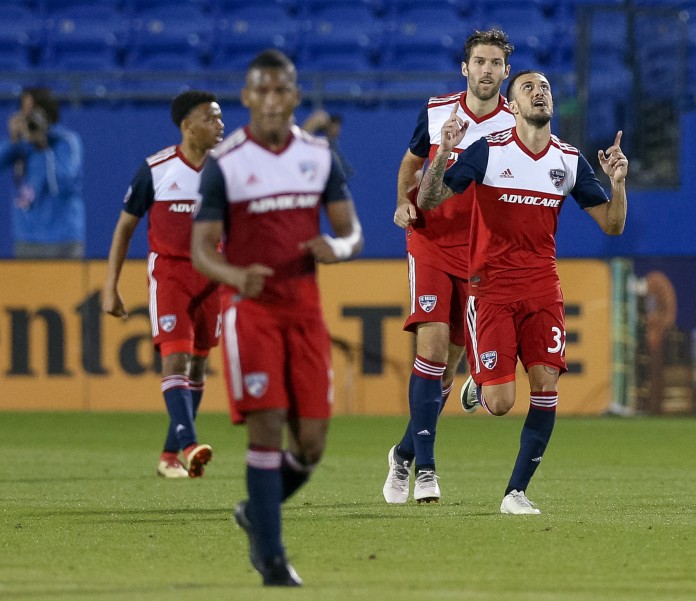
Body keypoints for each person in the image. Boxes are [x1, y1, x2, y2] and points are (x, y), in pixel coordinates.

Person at [418, 70, 628, 514]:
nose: (540, 93)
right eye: (528, 88)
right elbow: (430, 200)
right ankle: (481, 378)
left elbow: (612, 225)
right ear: (511, 107)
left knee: (546, 385)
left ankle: (516, 493)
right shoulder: (487, 152)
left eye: (546, 87)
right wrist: (445, 155)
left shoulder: (569, 161)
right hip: (490, 289)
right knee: (500, 403)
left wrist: (619, 183)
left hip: (542, 290)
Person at [192, 49, 363, 586]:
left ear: (294, 96)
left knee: (310, 446)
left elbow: (353, 230)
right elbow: (201, 249)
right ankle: (271, 559)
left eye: (279, 90)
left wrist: (339, 246)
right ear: (246, 97)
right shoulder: (227, 162)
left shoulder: (317, 156)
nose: (269, 100)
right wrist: (232, 275)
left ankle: (255, 514)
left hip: (306, 315)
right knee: (265, 431)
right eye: (259, 91)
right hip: (253, 315)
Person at [382, 29, 516, 505]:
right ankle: (426, 471)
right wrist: (403, 202)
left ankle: (402, 452)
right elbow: (410, 164)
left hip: (480, 257)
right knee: (433, 349)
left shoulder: (516, 123)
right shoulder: (439, 110)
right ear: (466, 68)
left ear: (505, 71)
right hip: (432, 243)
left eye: (495, 63)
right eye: (478, 61)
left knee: (446, 371)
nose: (486, 69)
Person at [101, 90, 224, 479]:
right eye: (211, 118)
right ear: (188, 126)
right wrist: (111, 285)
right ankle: (189, 445)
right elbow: (125, 228)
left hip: (212, 277)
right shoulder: (156, 169)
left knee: (200, 365)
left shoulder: (227, 172)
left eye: (220, 118)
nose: (219, 125)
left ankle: (171, 454)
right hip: (170, 274)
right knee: (175, 357)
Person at [0, 87, 85, 258]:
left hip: (63, 238)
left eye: (33, 112)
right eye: (24, 111)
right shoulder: (20, 144)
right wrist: (12, 140)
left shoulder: (66, 141)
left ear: (47, 112)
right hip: (27, 238)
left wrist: (43, 146)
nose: (28, 116)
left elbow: (64, 184)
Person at [301, 109, 354, 179]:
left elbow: (346, 171)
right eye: (334, 125)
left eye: (338, 126)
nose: (337, 129)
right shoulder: (316, 143)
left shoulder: (334, 146)